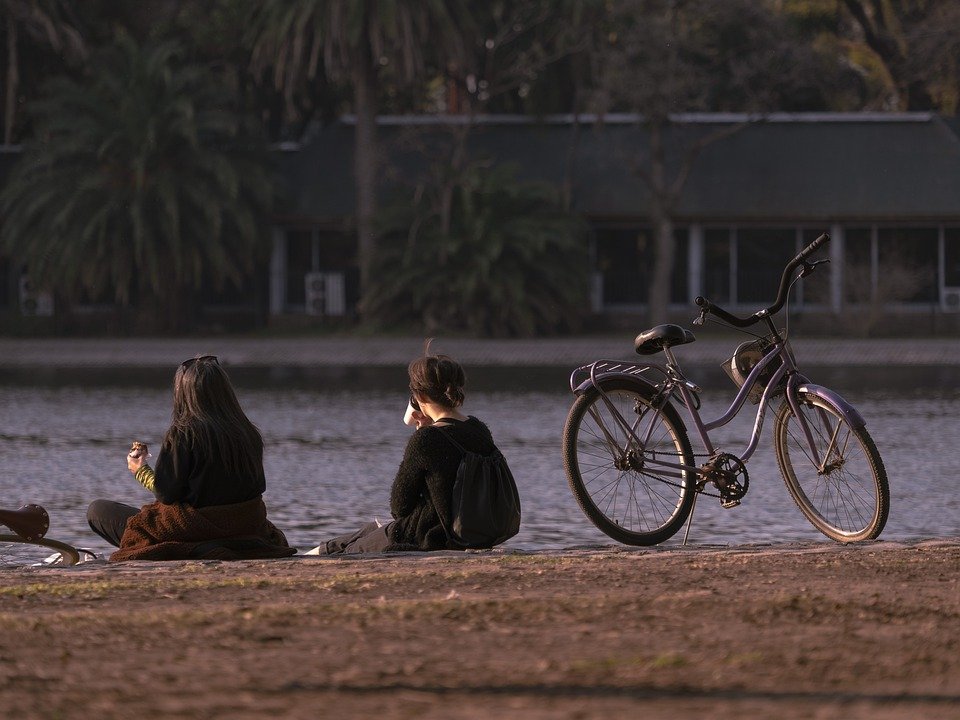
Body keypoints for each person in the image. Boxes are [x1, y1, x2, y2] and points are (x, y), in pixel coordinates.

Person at [87, 355, 292, 561]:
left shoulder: (184, 433)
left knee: (97, 511)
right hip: (243, 529)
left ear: (184, 394)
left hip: (194, 531)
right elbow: (257, 487)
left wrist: (140, 470)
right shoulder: (249, 433)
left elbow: (166, 494)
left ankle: (196, 547)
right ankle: (207, 544)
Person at [313, 341, 507, 554]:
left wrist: (421, 433)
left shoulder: (425, 439)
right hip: (473, 532)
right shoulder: (479, 428)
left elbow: (399, 508)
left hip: (431, 536)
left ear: (420, 397)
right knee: (368, 531)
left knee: (343, 549)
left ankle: (315, 554)